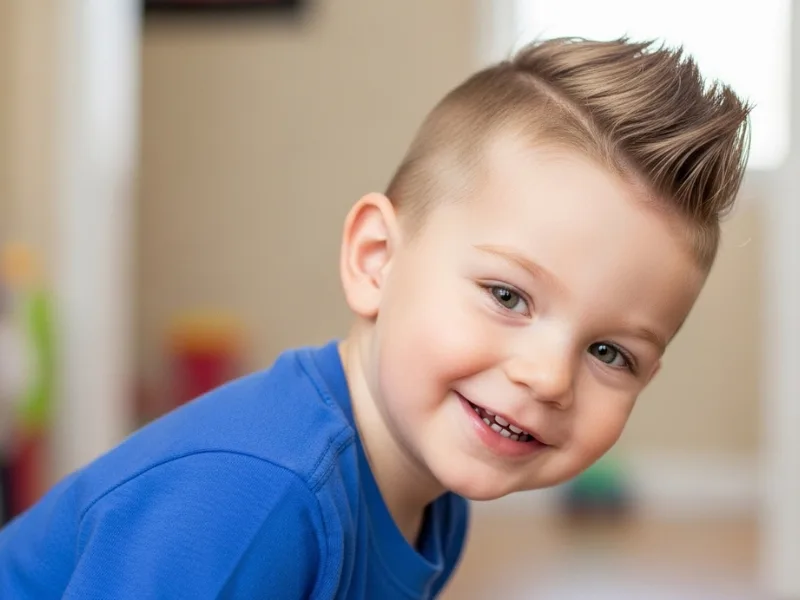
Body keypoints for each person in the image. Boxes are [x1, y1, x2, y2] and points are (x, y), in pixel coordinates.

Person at [0, 37, 750, 599]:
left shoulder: (433, 491)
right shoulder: (256, 498)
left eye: (610, 352)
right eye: (508, 296)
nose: (549, 377)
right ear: (375, 259)